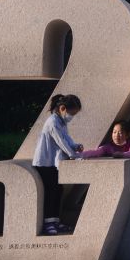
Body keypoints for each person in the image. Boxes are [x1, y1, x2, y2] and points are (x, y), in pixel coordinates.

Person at [32, 94, 84, 235]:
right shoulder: (52, 122)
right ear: (62, 108)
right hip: (44, 163)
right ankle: (48, 223)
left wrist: (75, 146)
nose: (71, 117)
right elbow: (60, 142)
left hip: (53, 164)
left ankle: (55, 221)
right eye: (72, 113)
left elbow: (67, 139)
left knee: (58, 190)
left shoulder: (61, 122)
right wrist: (74, 156)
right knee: (51, 192)